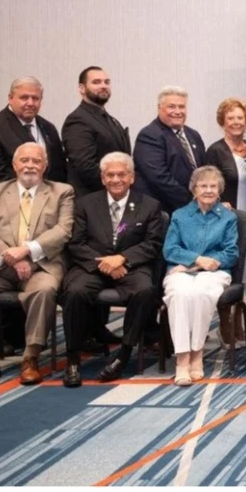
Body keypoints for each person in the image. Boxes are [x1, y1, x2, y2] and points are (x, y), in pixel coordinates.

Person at [0, 143, 74, 387]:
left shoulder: (61, 192)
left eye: (36, 161)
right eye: (24, 160)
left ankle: (31, 358)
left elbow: (63, 230)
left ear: (45, 166)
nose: (30, 165)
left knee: (44, 290)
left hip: (41, 266)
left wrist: (26, 251)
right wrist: (8, 256)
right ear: (14, 165)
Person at [61, 153, 165, 387]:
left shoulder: (149, 205)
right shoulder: (85, 204)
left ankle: (123, 355)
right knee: (75, 291)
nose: (116, 179)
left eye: (121, 174)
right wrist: (105, 264)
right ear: (102, 178)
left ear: (132, 177)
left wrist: (122, 259)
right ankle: (73, 359)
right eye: (110, 175)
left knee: (145, 291)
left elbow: (153, 244)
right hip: (92, 265)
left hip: (130, 267)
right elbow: (76, 243)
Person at [162, 166, 239, 385]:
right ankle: (182, 358)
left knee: (202, 293)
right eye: (203, 186)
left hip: (215, 272)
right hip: (181, 271)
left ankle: (197, 353)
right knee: (179, 294)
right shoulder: (180, 215)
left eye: (213, 186)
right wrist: (197, 259)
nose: (208, 190)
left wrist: (203, 264)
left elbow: (231, 253)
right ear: (194, 190)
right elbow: (170, 250)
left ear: (220, 190)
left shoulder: (228, 217)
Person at [0, 76, 67, 211]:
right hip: (4, 212)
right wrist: (37, 194)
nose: (30, 103)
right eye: (24, 97)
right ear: (10, 98)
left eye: (35, 98)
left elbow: (59, 170)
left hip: (47, 212)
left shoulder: (48, 128)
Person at [203, 98, 246, 304]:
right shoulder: (215, 150)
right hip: (226, 215)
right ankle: (230, 311)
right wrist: (218, 202)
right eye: (231, 118)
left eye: (240, 118)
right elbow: (206, 183)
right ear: (222, 122)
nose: (236, 122)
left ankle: (245, 306)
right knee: (232, 258)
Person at [61, 66, 132, 198]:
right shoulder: (77, 120)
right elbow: (85, 167)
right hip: (92, 199)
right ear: (82, 88)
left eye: (106, 82)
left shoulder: (110, 119)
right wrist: (117, 183)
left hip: (114, 197)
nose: (103, 86)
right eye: (96, 82)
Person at [133, 86, 205, 214]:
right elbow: (159, 179)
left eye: (181, 107)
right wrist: (192, 203)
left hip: (196, 209)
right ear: (159, 108)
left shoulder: (193, 135)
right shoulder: (149, 135)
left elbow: (204, 170)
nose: (177, 111)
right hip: (164, 211)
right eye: (171, 107)